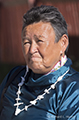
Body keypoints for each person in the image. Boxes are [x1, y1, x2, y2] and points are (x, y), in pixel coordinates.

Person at [0, 5, 79, 120]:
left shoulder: (72, 89)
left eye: (39, 41)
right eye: (26, 42)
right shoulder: (14, 76)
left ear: (63, 43)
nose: (32, 50)